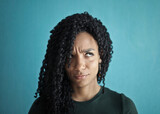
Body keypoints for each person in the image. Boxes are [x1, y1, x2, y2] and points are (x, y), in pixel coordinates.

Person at [28, 12, 138, 114]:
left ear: (101, 55)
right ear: (60, 60)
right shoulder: (42, 108)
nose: (80, 66)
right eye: (70, 56)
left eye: (88, 54)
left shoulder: (122, 107)